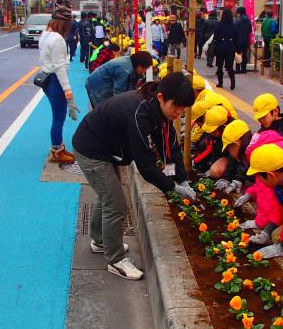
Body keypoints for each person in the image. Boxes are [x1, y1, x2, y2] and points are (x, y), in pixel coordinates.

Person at [72, 72, 197, 280]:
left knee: (109, 197)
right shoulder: (139, 112)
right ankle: (115, 260)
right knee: (116, 204)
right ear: (161, 98)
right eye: (177, 106)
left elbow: (169, 149)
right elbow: (146, 166)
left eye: (184, 108)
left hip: (105, 148)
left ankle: (100, 240)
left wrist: (180, 178)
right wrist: (173, 188)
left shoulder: (157, 110)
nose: (179, 112)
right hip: (91, 150)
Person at [39, 4, 78, 164]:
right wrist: (68, 92)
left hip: (47, 78)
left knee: (58, 117)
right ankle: (56, 152)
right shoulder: (58, 40)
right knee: (59, 118)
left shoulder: (46, 35)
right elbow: (60, 67)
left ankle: (59, 147)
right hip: (55, 80)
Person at [85, 51, 154, 108]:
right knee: (102, 111)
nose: (144, 71)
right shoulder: (124, 70)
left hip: (105, 83)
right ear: (139, 65)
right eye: (144, 68)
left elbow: (132, 88)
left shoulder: (131, 62)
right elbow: (118, 93)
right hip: (97, 86)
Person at [193, 105, 230, 172]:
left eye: (213, 131)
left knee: (215, 171)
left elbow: (235, 160)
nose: (211, 133)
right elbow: (215, 153)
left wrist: (226, 178)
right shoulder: (217, 132)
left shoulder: (231, 136)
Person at [213, 8, 238, 90]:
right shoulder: (234, 25)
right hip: (230, 47)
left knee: (220, 66)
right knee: (230, 66)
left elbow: (215, 36)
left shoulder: (219, 24)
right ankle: (232, 81)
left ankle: (220, 83)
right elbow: (236, 37)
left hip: (220, 47)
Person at [234, 7, 252, 73]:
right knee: (244, 54)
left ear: (239, 12)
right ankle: (244, 69)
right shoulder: (248, 20)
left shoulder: (237, 20)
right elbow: (250, 30)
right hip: (246, 40)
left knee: (238, 54)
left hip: (238, 40)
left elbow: (234, 30)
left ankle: (238, 69)